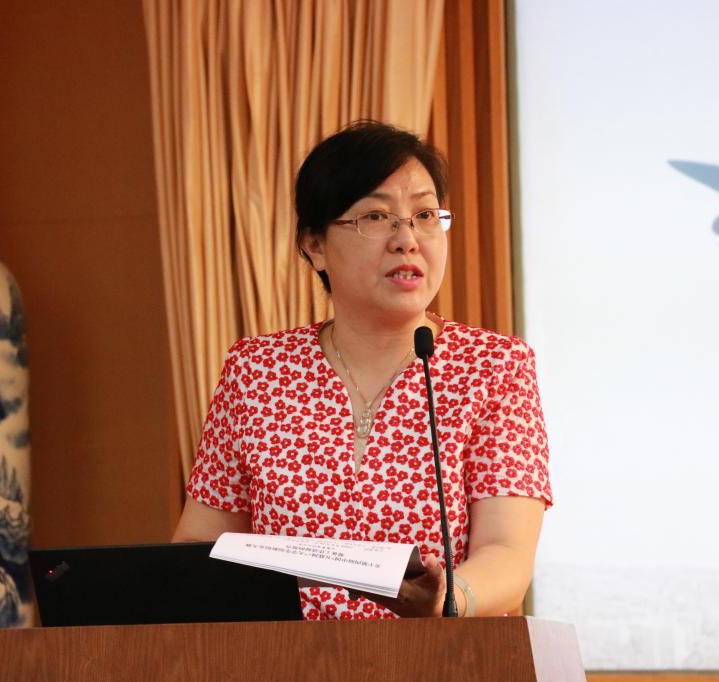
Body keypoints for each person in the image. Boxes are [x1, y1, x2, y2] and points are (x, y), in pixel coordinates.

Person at [173, 121, 552, 619]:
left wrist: (448, 600)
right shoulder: (256, 371)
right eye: (375, 216)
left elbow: (506, 552)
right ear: (315, 245)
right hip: (281, 657)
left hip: (438, 655)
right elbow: (199, 550)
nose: (407, 239)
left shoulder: (494, 366)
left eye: (425, 215)